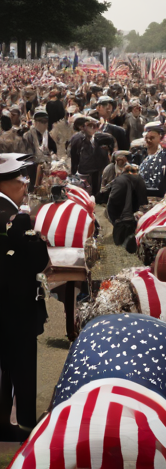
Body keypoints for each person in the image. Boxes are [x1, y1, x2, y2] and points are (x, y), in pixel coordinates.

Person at [0, 154, 49, 440]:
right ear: (7, 183)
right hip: (15, 307)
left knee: (7, 366)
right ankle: (25, 424)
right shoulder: (12, 218)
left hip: (8, 304)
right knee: (20, 366)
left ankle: (6, 421)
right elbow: (36, 260)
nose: (25, 185)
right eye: (22, 180)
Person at [69, 115, 115, 196]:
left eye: (94, 126)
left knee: (95, 188)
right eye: (89, 126)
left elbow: (110, 139)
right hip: (85, 169)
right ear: (82, 127)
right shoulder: (78, 138)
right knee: (86, 189)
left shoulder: (98, 136)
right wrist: (73, 170)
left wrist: (108, 150)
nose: (93, 128)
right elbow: (74, 155)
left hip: (97, 167)